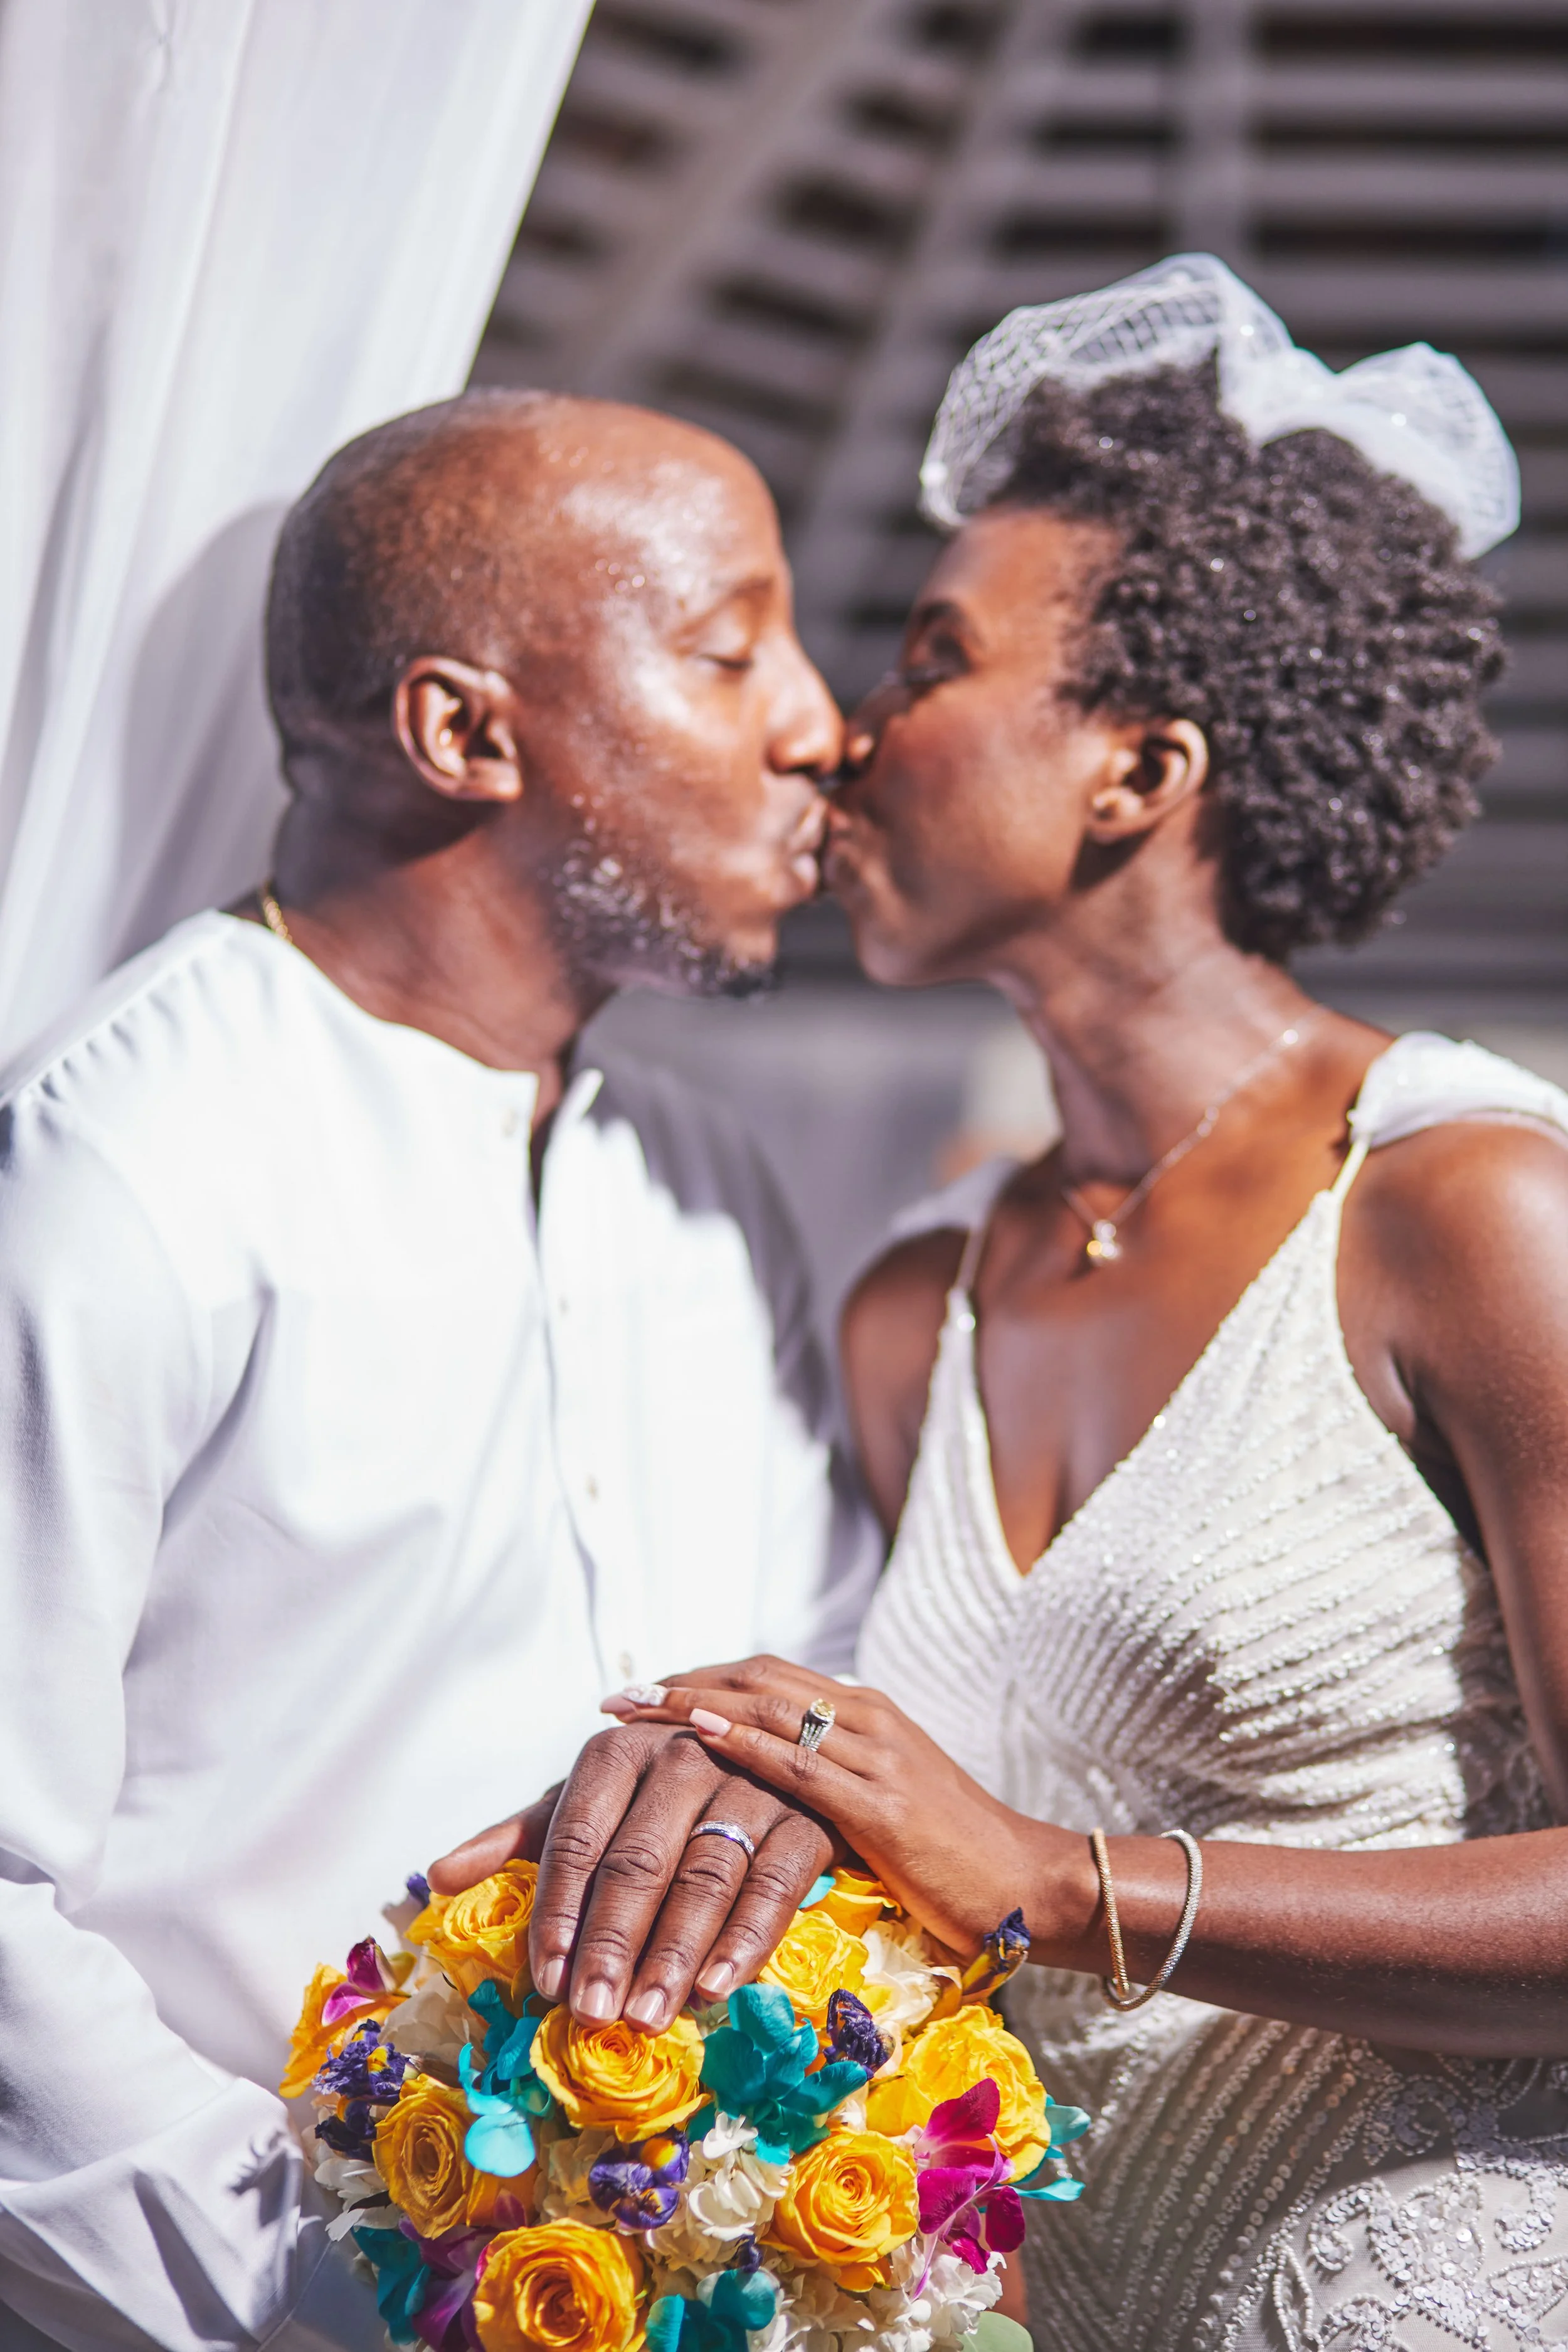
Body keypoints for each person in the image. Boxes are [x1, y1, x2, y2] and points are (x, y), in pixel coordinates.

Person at [531, 261, 1568, 2351]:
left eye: (931, 658)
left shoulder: (1467, 1204)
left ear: (1135, 770)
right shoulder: (915, 1309)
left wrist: (1061, 1879)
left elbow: (1007, 1863)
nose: (838, 732)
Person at [0, 390, 883, 2351]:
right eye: (732, 650)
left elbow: (819, 1690)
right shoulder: (117, 1166)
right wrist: (333, 2307)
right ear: (463, 731)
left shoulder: (712, 1187)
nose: (820, 724)